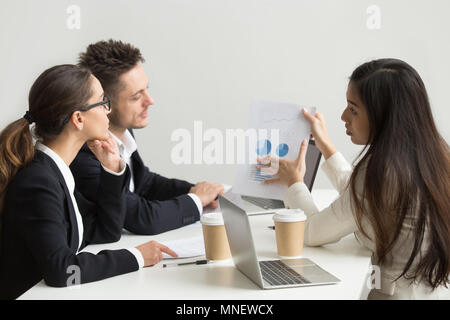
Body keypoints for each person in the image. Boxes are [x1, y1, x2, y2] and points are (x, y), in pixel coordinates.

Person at [259, 58, 449, 299]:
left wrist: (294, 183)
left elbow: (311, 232)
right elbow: (364, 197)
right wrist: (327, 147)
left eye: (353, 109)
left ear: (383, 116)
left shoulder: (381, 171)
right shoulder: (435, 157)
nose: (343, 116)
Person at [0, 64, 177, 300]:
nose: (108, 110)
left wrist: (111, 170)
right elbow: (62, 270)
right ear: (78, 118)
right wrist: (136, 256)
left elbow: (106, 231)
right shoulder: (38, 182)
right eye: (103, 101)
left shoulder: (57, 173)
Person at [70, 39, 224, 235]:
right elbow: (142, 218)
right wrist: (196, 200)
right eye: (136, 96)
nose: (150, 101)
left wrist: (198, 190)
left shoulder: (123, 131)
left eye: (146, 90)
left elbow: (144, 184)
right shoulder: (84, 154)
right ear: (103, 103)